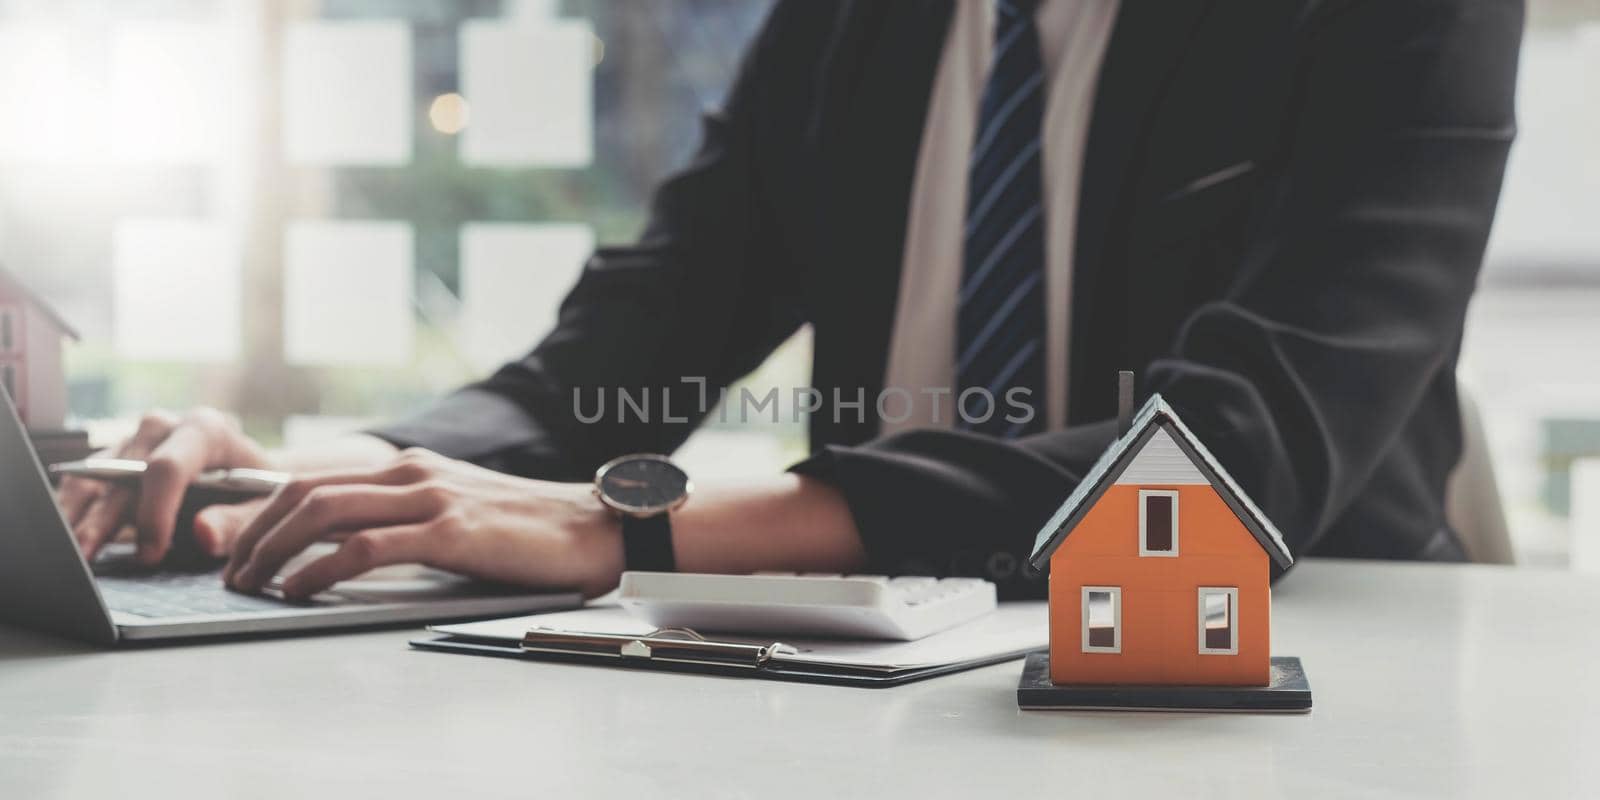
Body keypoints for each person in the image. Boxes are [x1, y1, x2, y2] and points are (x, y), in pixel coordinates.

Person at [61, 0, 1523, 601]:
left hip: (1300, 671)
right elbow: (616, 358)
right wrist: (347, 477)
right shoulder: (853, 23)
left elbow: (1227, 463)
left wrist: (625, 529)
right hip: (880, 671)